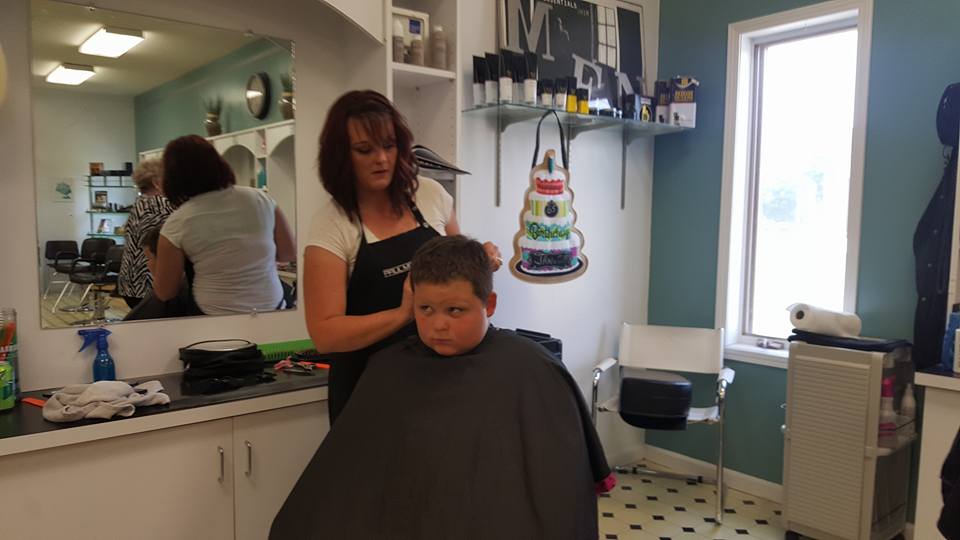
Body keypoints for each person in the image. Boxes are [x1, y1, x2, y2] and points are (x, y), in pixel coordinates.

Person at [271, 235, 611, 540]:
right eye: (425, 309)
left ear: (489, 305)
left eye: (455, 310)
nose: (438, 325)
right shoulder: (390, 369)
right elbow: (353, 479)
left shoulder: (532, 368)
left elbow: (559, 485)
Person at [303, 90, 501, 424]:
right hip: (369, 390)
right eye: (365, 150)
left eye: (389, 146)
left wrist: (482, 259)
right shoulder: (333, 225)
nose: (381, 159)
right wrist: (403, 314)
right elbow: (325, 335)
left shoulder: (430, 195)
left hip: (440, 377)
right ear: (341, 157)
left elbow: (461, 276)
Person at [152, 135, 296, 315]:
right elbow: (288, 252)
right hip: (270, 307)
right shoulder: (260, 199)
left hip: (213, 314)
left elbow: (165, 292)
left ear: (172, 176)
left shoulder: (177, 222)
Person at [116, 158, 173, 309]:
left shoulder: (139, 204)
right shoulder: (160, 205)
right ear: (156, 181)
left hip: (131, 282)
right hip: (149, 284)